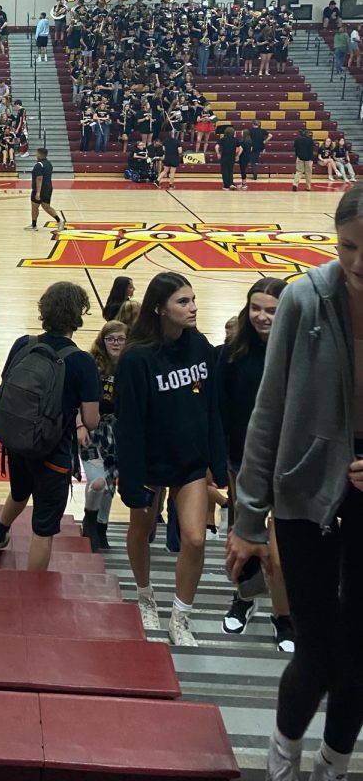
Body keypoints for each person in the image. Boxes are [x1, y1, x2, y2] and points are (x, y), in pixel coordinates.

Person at [227, 185, 363, 781]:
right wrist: (248, 519)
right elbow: (268, 410)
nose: (358, 264)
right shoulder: (305, 299)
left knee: (359, 657)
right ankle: (283, 753)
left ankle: (334, 764)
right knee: (315, 648)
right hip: (304, 494)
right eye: (349, 247)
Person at [115, 271, 227, 646]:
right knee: (141, 531)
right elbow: (128, 425)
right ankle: (145, 594)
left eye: (193, 299)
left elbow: (213, 408)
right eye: (183, 301)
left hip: (190, 462)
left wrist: (218, 461)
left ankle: (180, 616)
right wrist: (130, 480)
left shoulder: (200, 346)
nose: (193, 307)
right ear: (160, 308)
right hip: (149, 462)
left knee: (195, 539)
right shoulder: (136, 359)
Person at [0, 282, 100, 571]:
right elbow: (92, 420)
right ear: (79, 316)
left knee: (20, 490)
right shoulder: (83, 362)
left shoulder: (23, 343)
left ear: (44, 311)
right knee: (43, 530)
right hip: (53, 454)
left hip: (17, 440)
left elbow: (8, 384)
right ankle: (32, 598)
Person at [216, 278, 293, 651]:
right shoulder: (231, 354)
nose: (262, 317)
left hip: (290, 462)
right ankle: (244, 599)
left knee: (283, 547)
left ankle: (284, 616)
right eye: (255, 308)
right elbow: (221, 409)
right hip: (242, 459)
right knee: (244, 536)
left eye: (271, 310)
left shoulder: (300, 350)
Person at [81, 319, 126, 551]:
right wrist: (79, 426)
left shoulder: (130, 365)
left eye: (120, 339)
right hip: (93, 429)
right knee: (98, 481)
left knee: (110, 485)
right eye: (111, 339)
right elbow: (76, 398)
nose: (115, 343)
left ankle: (101, 527)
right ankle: (89, 520)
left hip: (117, 431)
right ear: (103, 340)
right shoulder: (92, 364)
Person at [27, 147, 64, 230]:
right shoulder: (49, 164)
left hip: (40, 189)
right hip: (48, 188)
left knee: (34, 206)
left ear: (40, 154)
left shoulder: (39, 165)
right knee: (46, 206)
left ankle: (34, 225)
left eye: (37, 153)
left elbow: (39, 178)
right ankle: (59, 220)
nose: (36, 155)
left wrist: (38, 192)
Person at [215, 125, 241, 191]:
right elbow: (239, 148)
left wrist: (218, 153)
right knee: (230, 171)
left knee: (225, 171)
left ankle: (226, 186)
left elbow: (216, 146)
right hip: (232, 157)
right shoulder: (235, 140)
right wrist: (237, 155)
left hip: (224, 157)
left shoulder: (223, 139)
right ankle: (231, 183)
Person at [292, 128, 315, 192]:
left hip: (300, 157)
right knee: (308, 173)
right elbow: (311, 150)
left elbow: (296, 150)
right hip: (308, 158)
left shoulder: (297, 140)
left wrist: (297, 156)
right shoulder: (310, 140)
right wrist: (311, 159)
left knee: (299, 172)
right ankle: (308, 187)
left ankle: (295, 184)